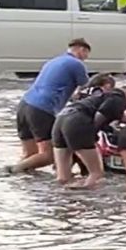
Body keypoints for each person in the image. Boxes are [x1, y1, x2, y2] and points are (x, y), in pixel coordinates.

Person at [8, 38, 91, 174]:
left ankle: (22, 182)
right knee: (49, 155)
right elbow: (86, 85)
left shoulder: (54, 61)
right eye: (87, 54)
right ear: (82, 50)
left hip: (25, 105)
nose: (86, 58)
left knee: (30, 155)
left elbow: (54, 86)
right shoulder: (76, 64)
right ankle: (12, 170)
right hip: (42, 109)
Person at [53, 83, 126, 188]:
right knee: (96, 173)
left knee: (63, 176)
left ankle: (61, 198)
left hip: (61, 119)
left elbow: (117, 115)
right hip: (77, 121)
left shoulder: (99, 96)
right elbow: (99, 117)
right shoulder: (118, 98)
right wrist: (92, 136)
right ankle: (86, 198)